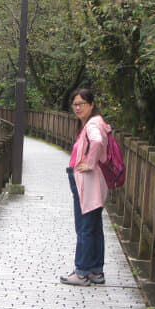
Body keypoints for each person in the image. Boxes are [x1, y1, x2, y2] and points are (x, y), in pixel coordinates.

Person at [60, 88, 110, 286]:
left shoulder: (92, 126)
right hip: (95, 180)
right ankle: (96, 270)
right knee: (94, 227)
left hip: (87, 181)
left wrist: (89, 163)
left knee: (85, 227)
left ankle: (81, 271)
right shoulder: (97, 123)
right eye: (75, 104)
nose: (78, 108)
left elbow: (96, 142)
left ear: (91, 104)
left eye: (82, 104)